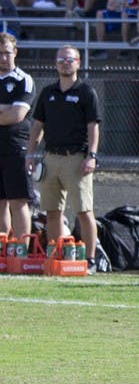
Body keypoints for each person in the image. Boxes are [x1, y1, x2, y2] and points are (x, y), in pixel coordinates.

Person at [25, 45, 101, 273]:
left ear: (78, 62)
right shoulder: (47, 92)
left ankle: (91, 259)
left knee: (83, 211)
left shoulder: (86, 92)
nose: (65, 63)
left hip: (75, 158)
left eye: (69, 59)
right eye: (61, 59)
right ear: (55, 64)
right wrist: (30, 153)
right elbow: (37, 125)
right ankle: (56, 255)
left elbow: (93, 127)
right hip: (51, 157)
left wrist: (92, 156)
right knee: (52, 211)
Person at [0, 34, 35, 240]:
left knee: (18, 201)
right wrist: (5, 108)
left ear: (15, 52)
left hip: (15, 148)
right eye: (0, 53)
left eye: (7, 53)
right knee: (0, 202)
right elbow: (8, 112)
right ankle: (3, 249)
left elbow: (17, 115)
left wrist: (9, 111)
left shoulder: (24, 80)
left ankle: (22, 249)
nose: (3, 57)